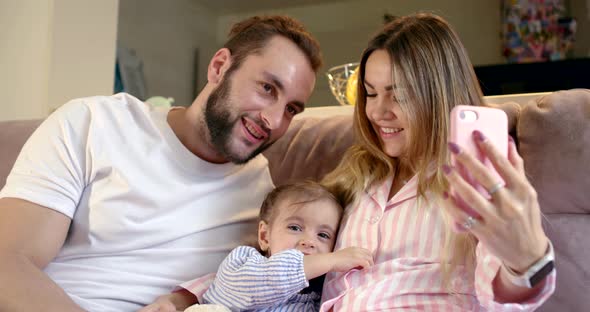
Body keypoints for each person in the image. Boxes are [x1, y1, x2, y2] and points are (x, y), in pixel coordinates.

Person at [0, 15, 322, 311]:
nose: (273, 119)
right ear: (220, 67)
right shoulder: (94, 122)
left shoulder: (267, 201)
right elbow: (8, 259)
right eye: (267, 88)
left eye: (292, 109)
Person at [319, 13, 556, 311]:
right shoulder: (356, 175)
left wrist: (526, 261)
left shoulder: (474, 175)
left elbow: (503, 296)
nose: (378, 111)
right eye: (370, 93)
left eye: (399, 95)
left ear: (439, 95)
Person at [142, 181, 373, 312]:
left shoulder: (318, 296)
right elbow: (258, 284)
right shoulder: (244, 262)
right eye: (295, 227)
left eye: (323, 235)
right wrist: (330, 260)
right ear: (264, 235)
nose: (308, 241)